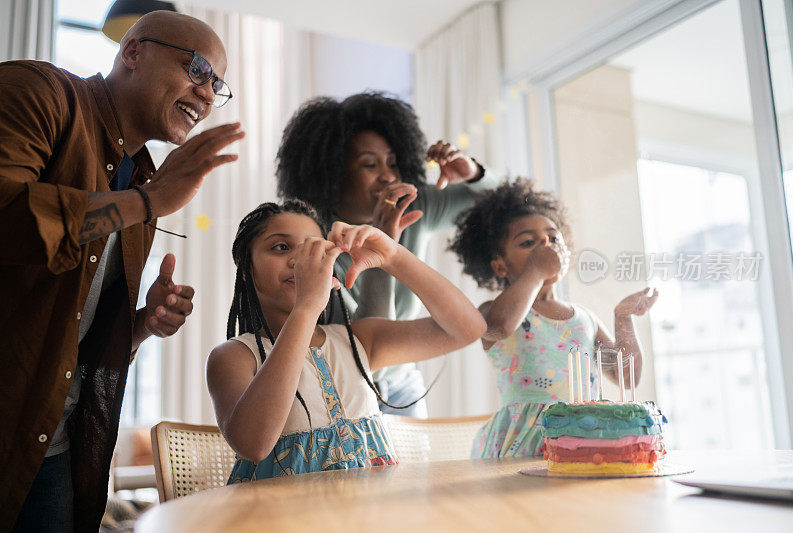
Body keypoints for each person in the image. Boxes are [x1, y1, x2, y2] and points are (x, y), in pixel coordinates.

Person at [0, 11, 244, 532]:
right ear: (132, 52)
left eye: (216, 84)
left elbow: (75, 340)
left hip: (53, 446)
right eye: (197, 69)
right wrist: (148, 201)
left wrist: (139, 325)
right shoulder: (39, 93)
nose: (206, 94)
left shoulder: (142, 176)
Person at [206, 201, 485, 479]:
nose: (299, 260)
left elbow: (467, 329)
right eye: (280, 247)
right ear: (246, 269)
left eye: (312, 249)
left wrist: (393, 255)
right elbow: (254, 445)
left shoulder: (357, 341)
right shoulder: (233, 357)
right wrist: (307, 307)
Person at [276, 92, 497, 417]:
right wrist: (383, 254)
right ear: (333, 172)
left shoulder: (413, 206)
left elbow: (505, 205)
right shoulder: (315, 245)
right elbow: (368, 353)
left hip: (404, 385)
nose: (388, 176)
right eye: (369, 164)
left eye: (393, 163)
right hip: (342, 391)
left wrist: (474, 172)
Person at [448, 178, 658, 458]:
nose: (545, 244)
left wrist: (623, 318)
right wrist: (535, 270)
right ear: (500, 265)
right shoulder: (492, 311)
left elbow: (627, 376)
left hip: (582, 437)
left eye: (553, 238)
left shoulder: (584, 318)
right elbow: (499, 327)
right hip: (522, 442)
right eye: (527, 242)